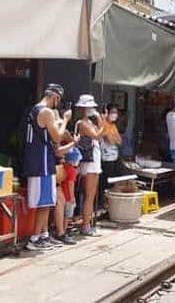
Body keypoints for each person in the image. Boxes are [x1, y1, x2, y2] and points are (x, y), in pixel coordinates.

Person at [23, 84, 71, 251]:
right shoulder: (46, 112)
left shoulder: (35, 110)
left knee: (47, 201)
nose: (58, 103)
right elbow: (57, 137)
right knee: (44, 203)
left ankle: (43, 235)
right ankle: (35, 238)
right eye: (59, 100)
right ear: (55, 97)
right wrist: (65, 120)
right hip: (41, 163)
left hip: (38, 161)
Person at [75, 94, 104, 236]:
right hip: (89, 162)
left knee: (91, 195)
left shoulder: (89, 123)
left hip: (94, 160)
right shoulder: (82, 123)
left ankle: (87, 223)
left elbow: (99, 135)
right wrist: (100, 119)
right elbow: (97, 135)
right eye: (90, 107)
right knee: (89, 195)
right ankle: (86, 226)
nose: (92, 109)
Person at [53, 147, 81, 245]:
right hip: (68, 197)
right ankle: (63, 231)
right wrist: (72, 197)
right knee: (67, 216)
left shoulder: (63, 167)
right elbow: (71, 184)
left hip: (62, 193)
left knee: (62, 213)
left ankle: (61, 230)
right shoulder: (72, 171)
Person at [99, 104, 124, 203]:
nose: (115, 115)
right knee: (106, 181)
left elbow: (119, 141)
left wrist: (112, 137)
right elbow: (110, 140)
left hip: (114, 157)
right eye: (113, 112)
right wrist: (112, 137)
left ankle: (110, 201)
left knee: (113, 180)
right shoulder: (103, 124)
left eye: (116, 112)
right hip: (105, 158)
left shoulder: (113, 126)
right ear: (107, 113)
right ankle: (104, 201)